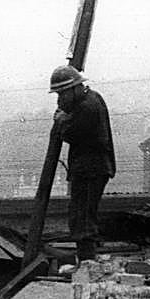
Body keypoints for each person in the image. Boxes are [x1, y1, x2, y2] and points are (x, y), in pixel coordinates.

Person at [49, 65, 115, 263]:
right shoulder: (91, 98)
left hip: (90, 169)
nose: (60, 100)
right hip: (91, 168)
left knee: (82, 218)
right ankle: (86, 260)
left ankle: (87, 262)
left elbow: (71, 132)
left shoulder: (88, 107)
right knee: (81, 215)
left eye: (62, 94)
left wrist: (61, 121)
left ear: (74, 89)